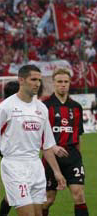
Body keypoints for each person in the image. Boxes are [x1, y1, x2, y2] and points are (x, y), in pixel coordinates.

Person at [0, 65, 66, 216]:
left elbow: (46, 146)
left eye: (39, 80)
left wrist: (57, 172)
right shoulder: (5, 108)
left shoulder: (41, 108)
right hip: (14, 166)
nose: (37, 83)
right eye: (33, 79)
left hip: (36, 167)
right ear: (21, 80)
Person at [41, 68, 89, 216]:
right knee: (48, 199)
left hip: (73, 157)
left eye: (66, 82)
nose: (63, 85)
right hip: (51, 157)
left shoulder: (76, 107)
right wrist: (52, 147)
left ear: (69, 83)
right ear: (53, 83)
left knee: (79, 195)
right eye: (59, 82)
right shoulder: (45, 106)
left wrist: (78, 157)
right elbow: (39, 136)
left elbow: (78, 134)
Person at [0, 81, 20, 216]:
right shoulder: (6, 109)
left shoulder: (4, 107)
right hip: (12, 156)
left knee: (11, 193)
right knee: (17, 193)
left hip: (21, 155)